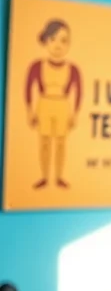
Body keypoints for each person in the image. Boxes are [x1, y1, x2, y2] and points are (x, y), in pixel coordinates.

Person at [25, 19, 82, 189]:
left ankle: (58, 177)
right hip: (44, 104)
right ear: (46, 41)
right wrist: (30, 110)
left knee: (60, 144)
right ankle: (44, 176)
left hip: (62, 106)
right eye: (53, 39)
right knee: (44, 142)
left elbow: (78, 93)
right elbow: (29, 88)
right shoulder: (37, 66)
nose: (58, 45)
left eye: (63, 40)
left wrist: (75, 114)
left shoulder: (73, 69)